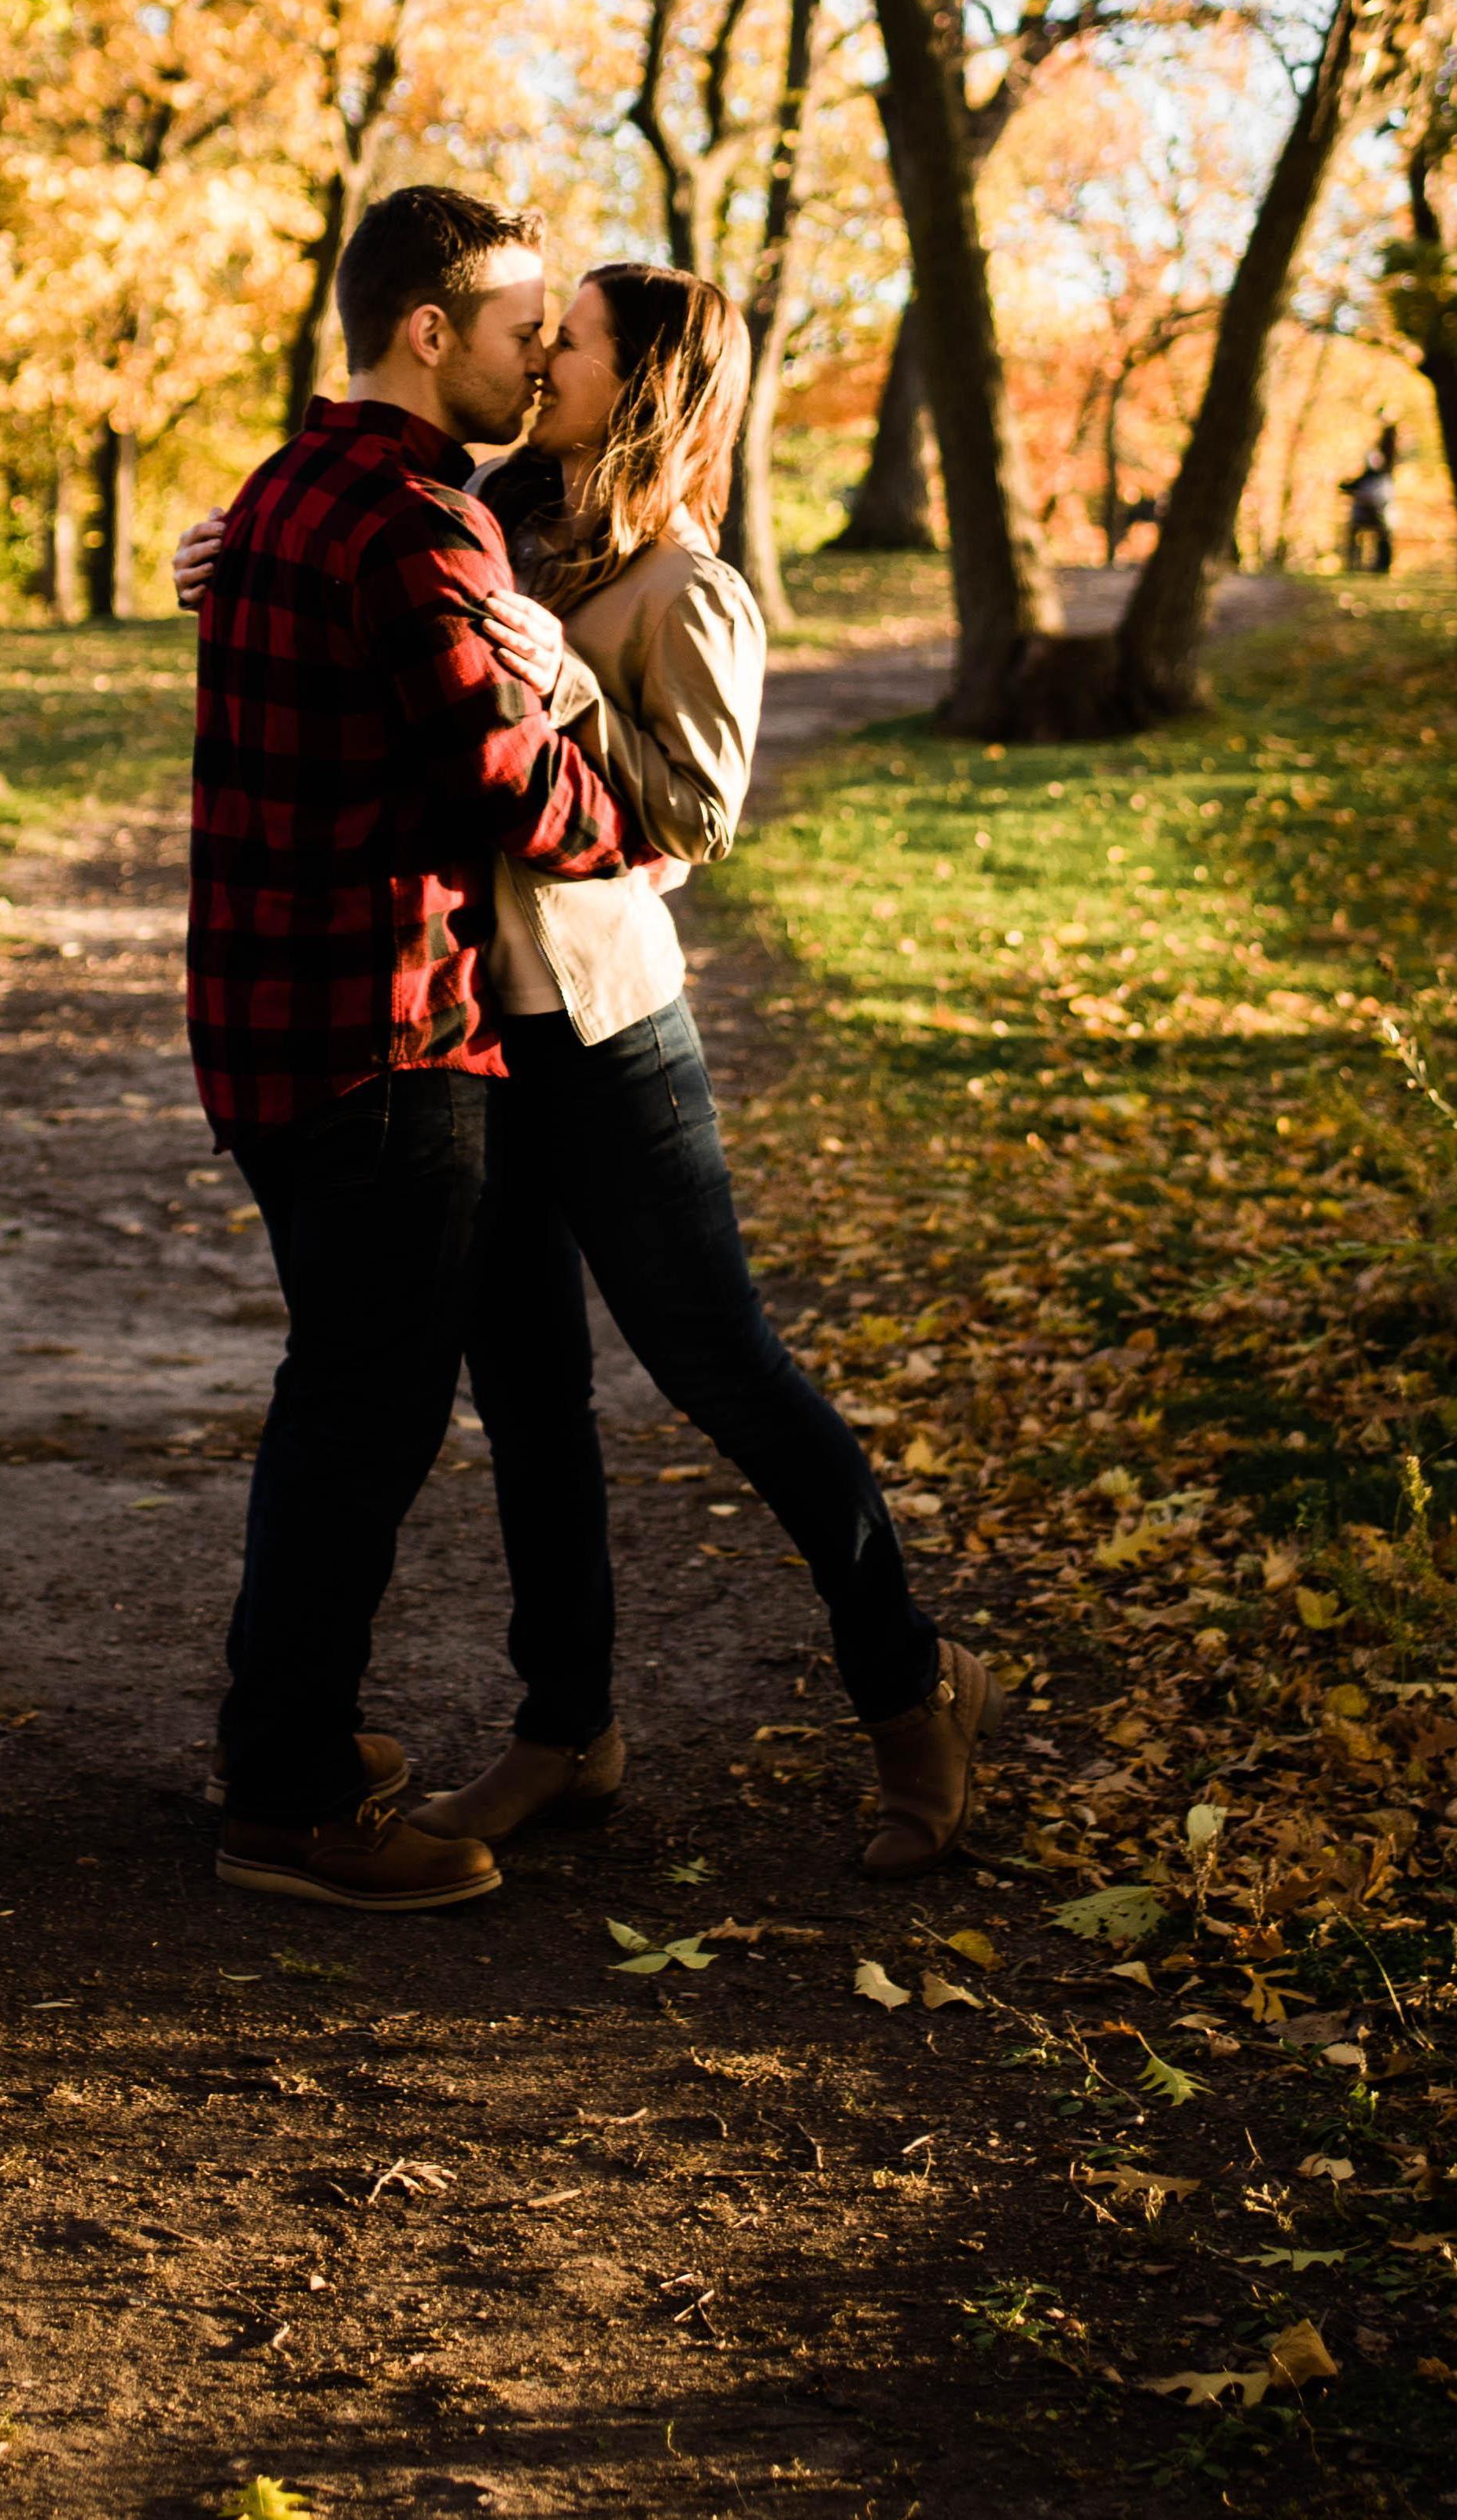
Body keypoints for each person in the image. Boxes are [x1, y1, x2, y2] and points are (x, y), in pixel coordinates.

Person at [172, 262, 992, 1884]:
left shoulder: (689, 585)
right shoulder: (497, 511)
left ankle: (908, 1679)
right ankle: (568, 1730)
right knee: (528, 1389)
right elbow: (387, 613)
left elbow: (687, 828)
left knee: (721, 1366)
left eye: (576, 344)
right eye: (537, 334)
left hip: (604, 1031)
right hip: (463, 1026)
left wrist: (568, 684)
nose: (543, 358)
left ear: (646, 383)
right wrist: (235, 558)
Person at [181, 186, 633, 1915]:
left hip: (262, 1021)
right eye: (524, 324)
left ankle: (275, 1737)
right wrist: (639, 812)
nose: (539, 353)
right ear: (429, 331)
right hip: (377, 1031)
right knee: (360, 1419)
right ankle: (291, 1798)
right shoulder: (414, 529)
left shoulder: (284, 487)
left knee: (337, 1395)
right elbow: (500, 780)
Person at [1337, 421, 1402, 578]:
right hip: (1373, 514)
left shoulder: (1379, 476)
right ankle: (1367, 565)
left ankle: (1378, 566)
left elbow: (1349, 487)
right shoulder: (1378, 476)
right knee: (1379, 535)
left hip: (1376, 514)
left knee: (1381, 536)